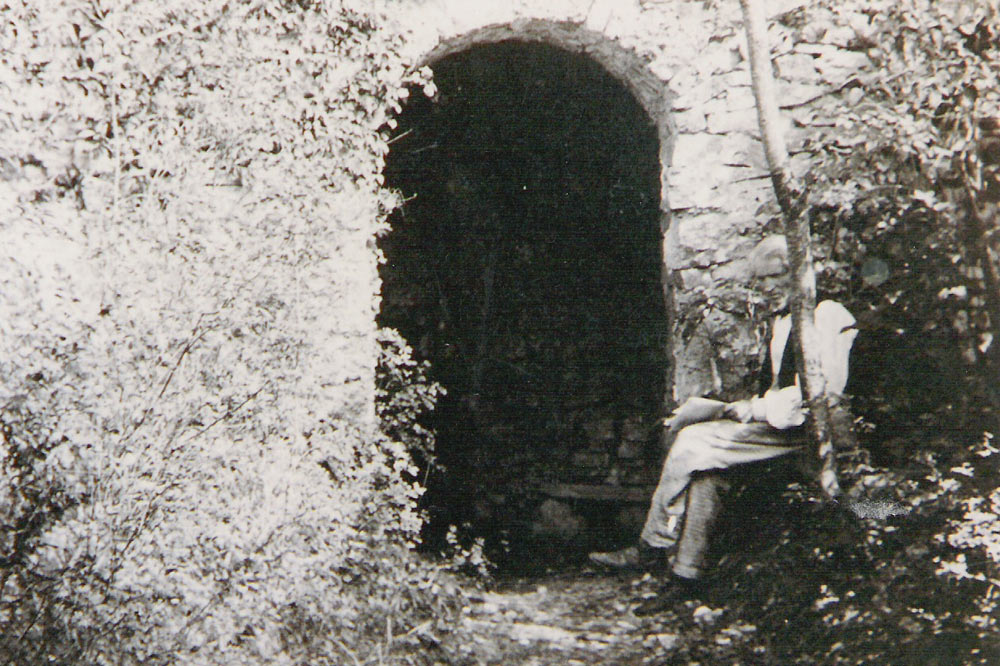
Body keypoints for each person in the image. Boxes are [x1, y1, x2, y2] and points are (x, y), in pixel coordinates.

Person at [588, 235, 858, 607]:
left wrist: (757, 410)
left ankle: (650, 546)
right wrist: (743, 406)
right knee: (705, 475)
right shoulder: (783, 321)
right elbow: (781, 388)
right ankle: (685, 578)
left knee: (692, 444)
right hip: (783, 428)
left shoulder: (828, 315)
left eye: (768, 279)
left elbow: (825, 391)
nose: (763, 289)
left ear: (793, 271)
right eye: (759, 281)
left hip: (813, 433)